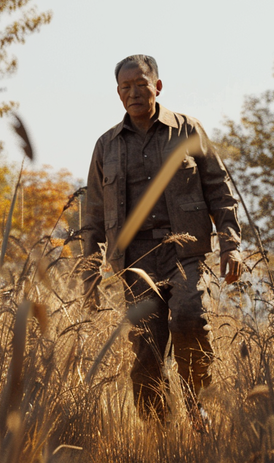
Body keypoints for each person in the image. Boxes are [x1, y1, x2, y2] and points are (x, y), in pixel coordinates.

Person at [81, 54, 243, 426]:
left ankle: (198, 406)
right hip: (135, 260)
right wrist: (88, 273)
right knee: (146, 353)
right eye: (126, 87)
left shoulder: (187, 129)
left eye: (141, 84)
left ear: (157, 85)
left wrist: (231, 243)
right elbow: (91, 217)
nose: (134, 93)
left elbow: (220, 189)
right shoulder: (106, 145)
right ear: (118, 92)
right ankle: (159, 431)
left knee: (188, 319)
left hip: (185, 251)